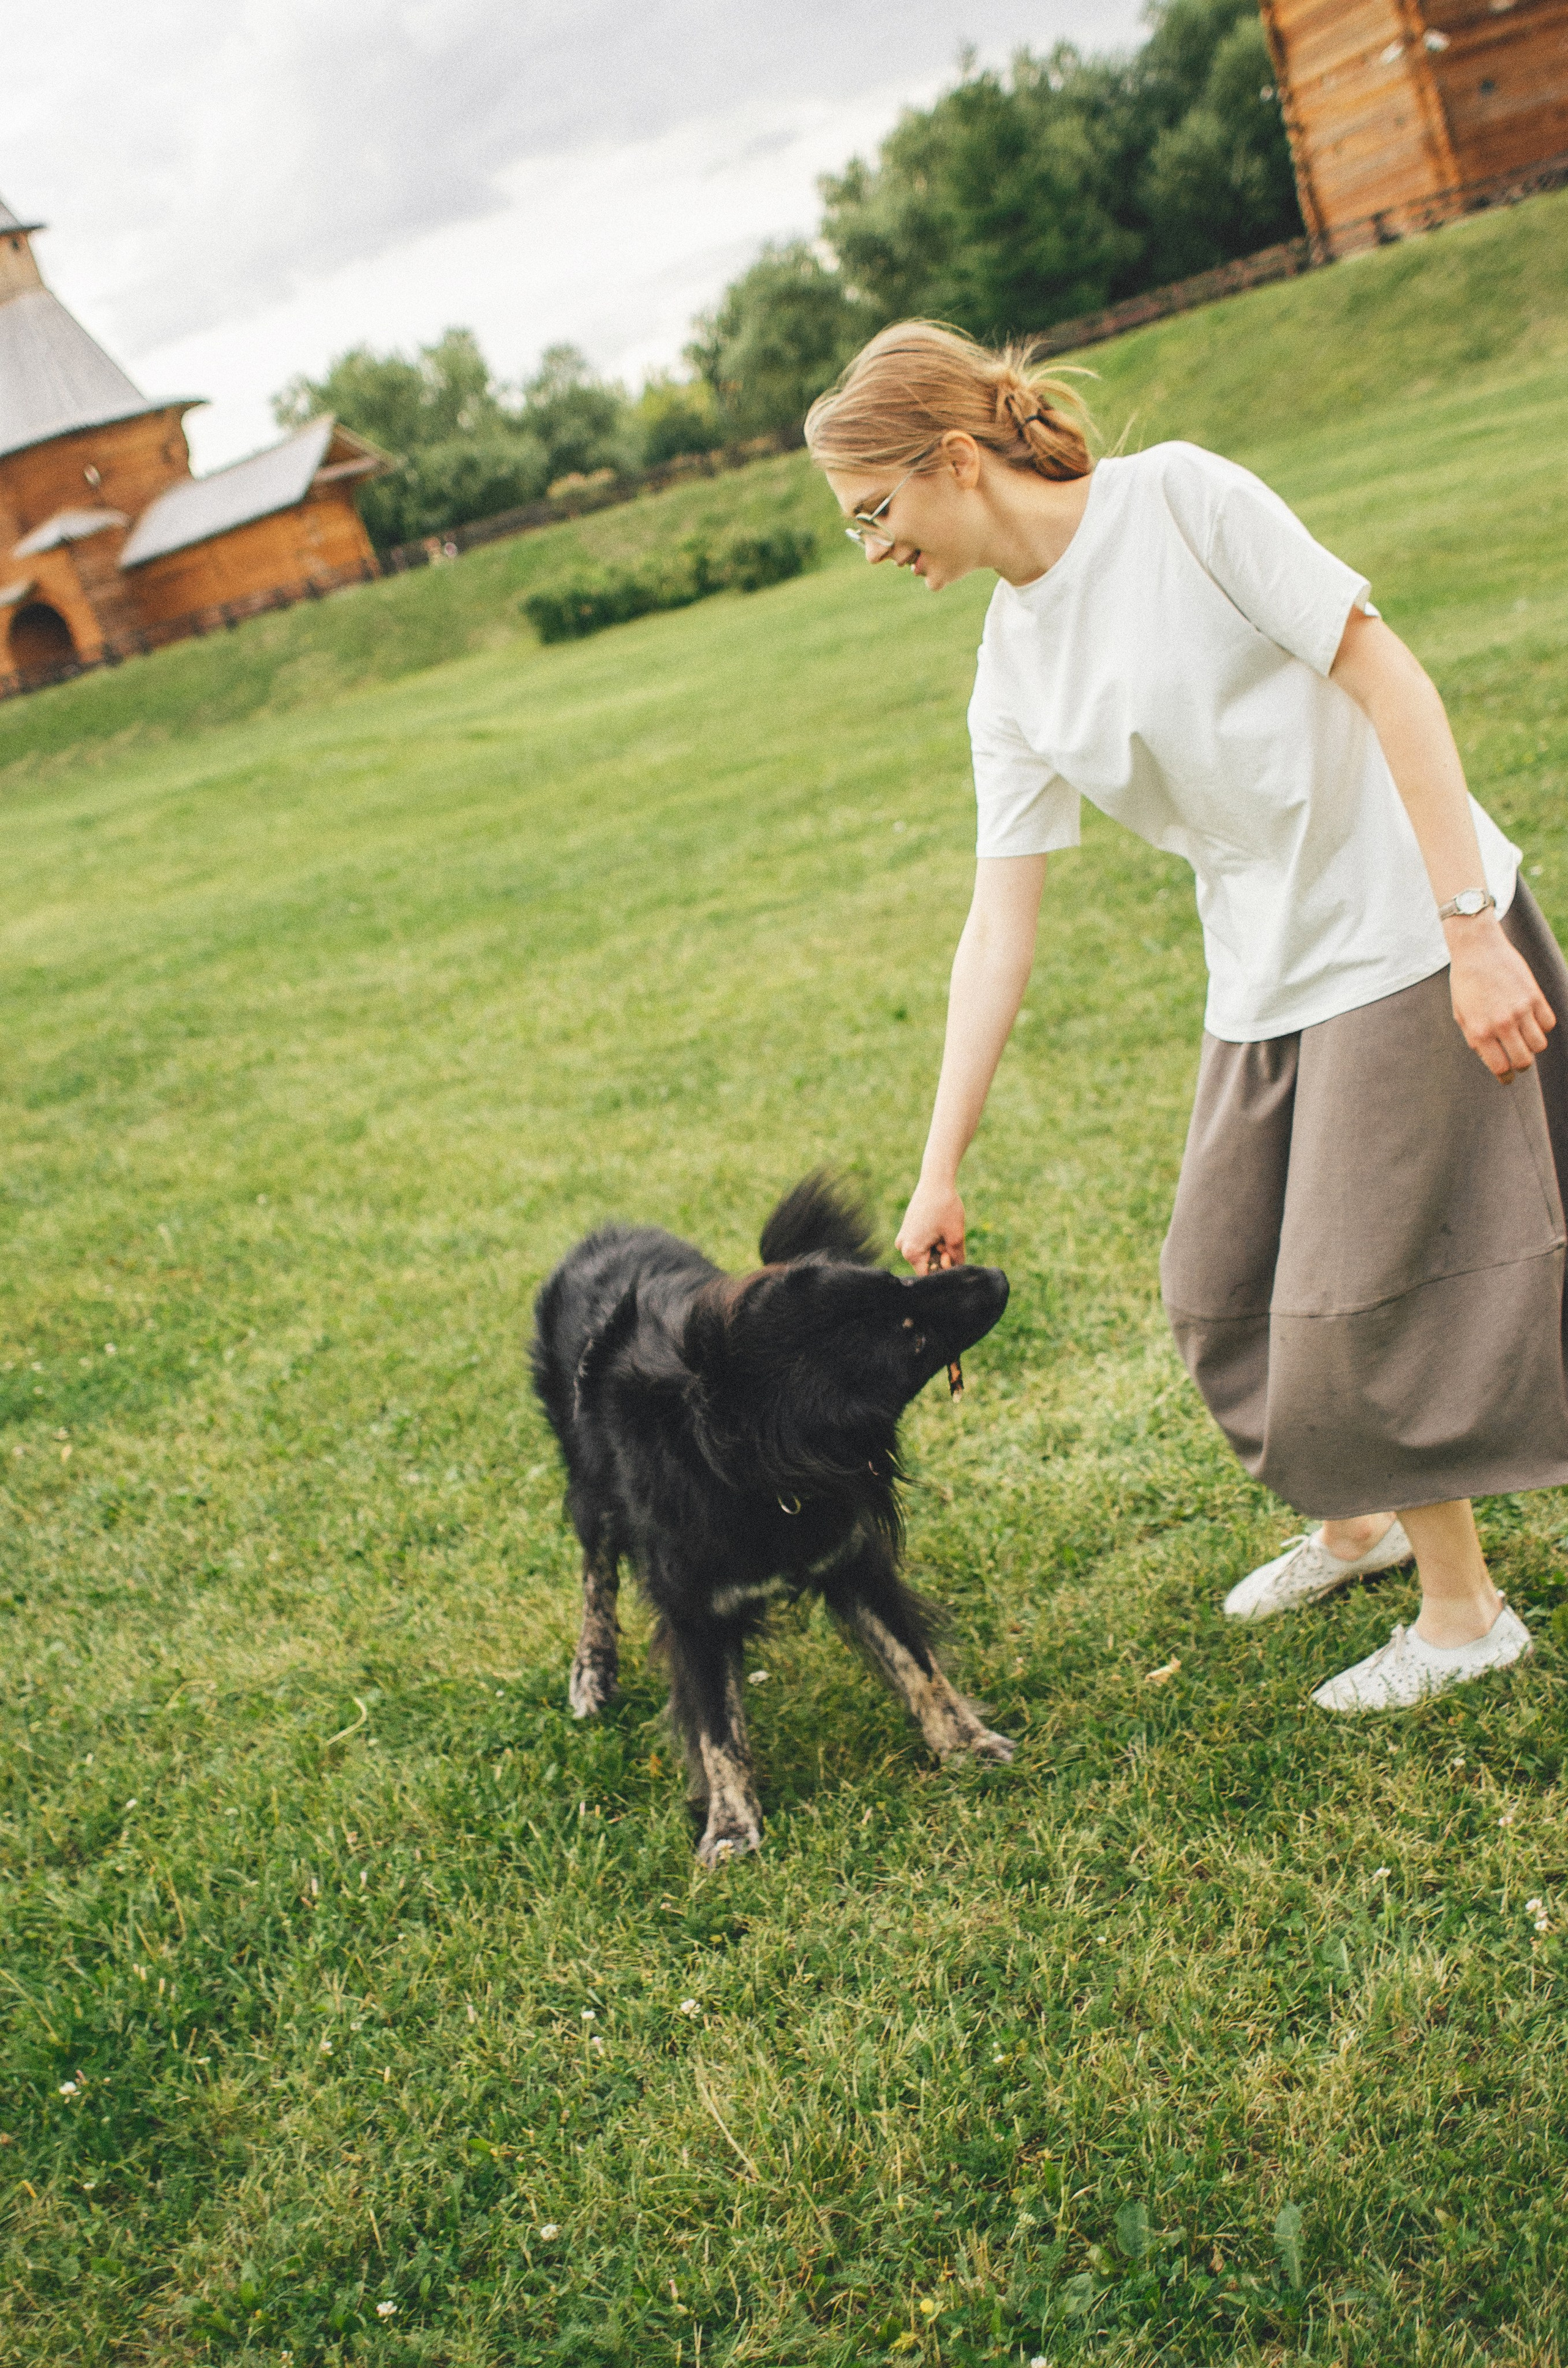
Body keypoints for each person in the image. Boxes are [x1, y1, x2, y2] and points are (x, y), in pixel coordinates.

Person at [804, 320, 1568, 1712]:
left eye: (873, 511)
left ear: (954, 460)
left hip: (1400, 920)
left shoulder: (1182, 502)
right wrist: (937, 1164)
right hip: (1263, 966)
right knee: (1216, 1285)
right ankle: (1362, 1522)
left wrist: (1468, 930)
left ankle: (1465, 1616)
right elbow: (998, 923)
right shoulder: (1008, 668)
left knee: (1355, 1294)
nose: (870, 548)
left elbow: (1386, 678)